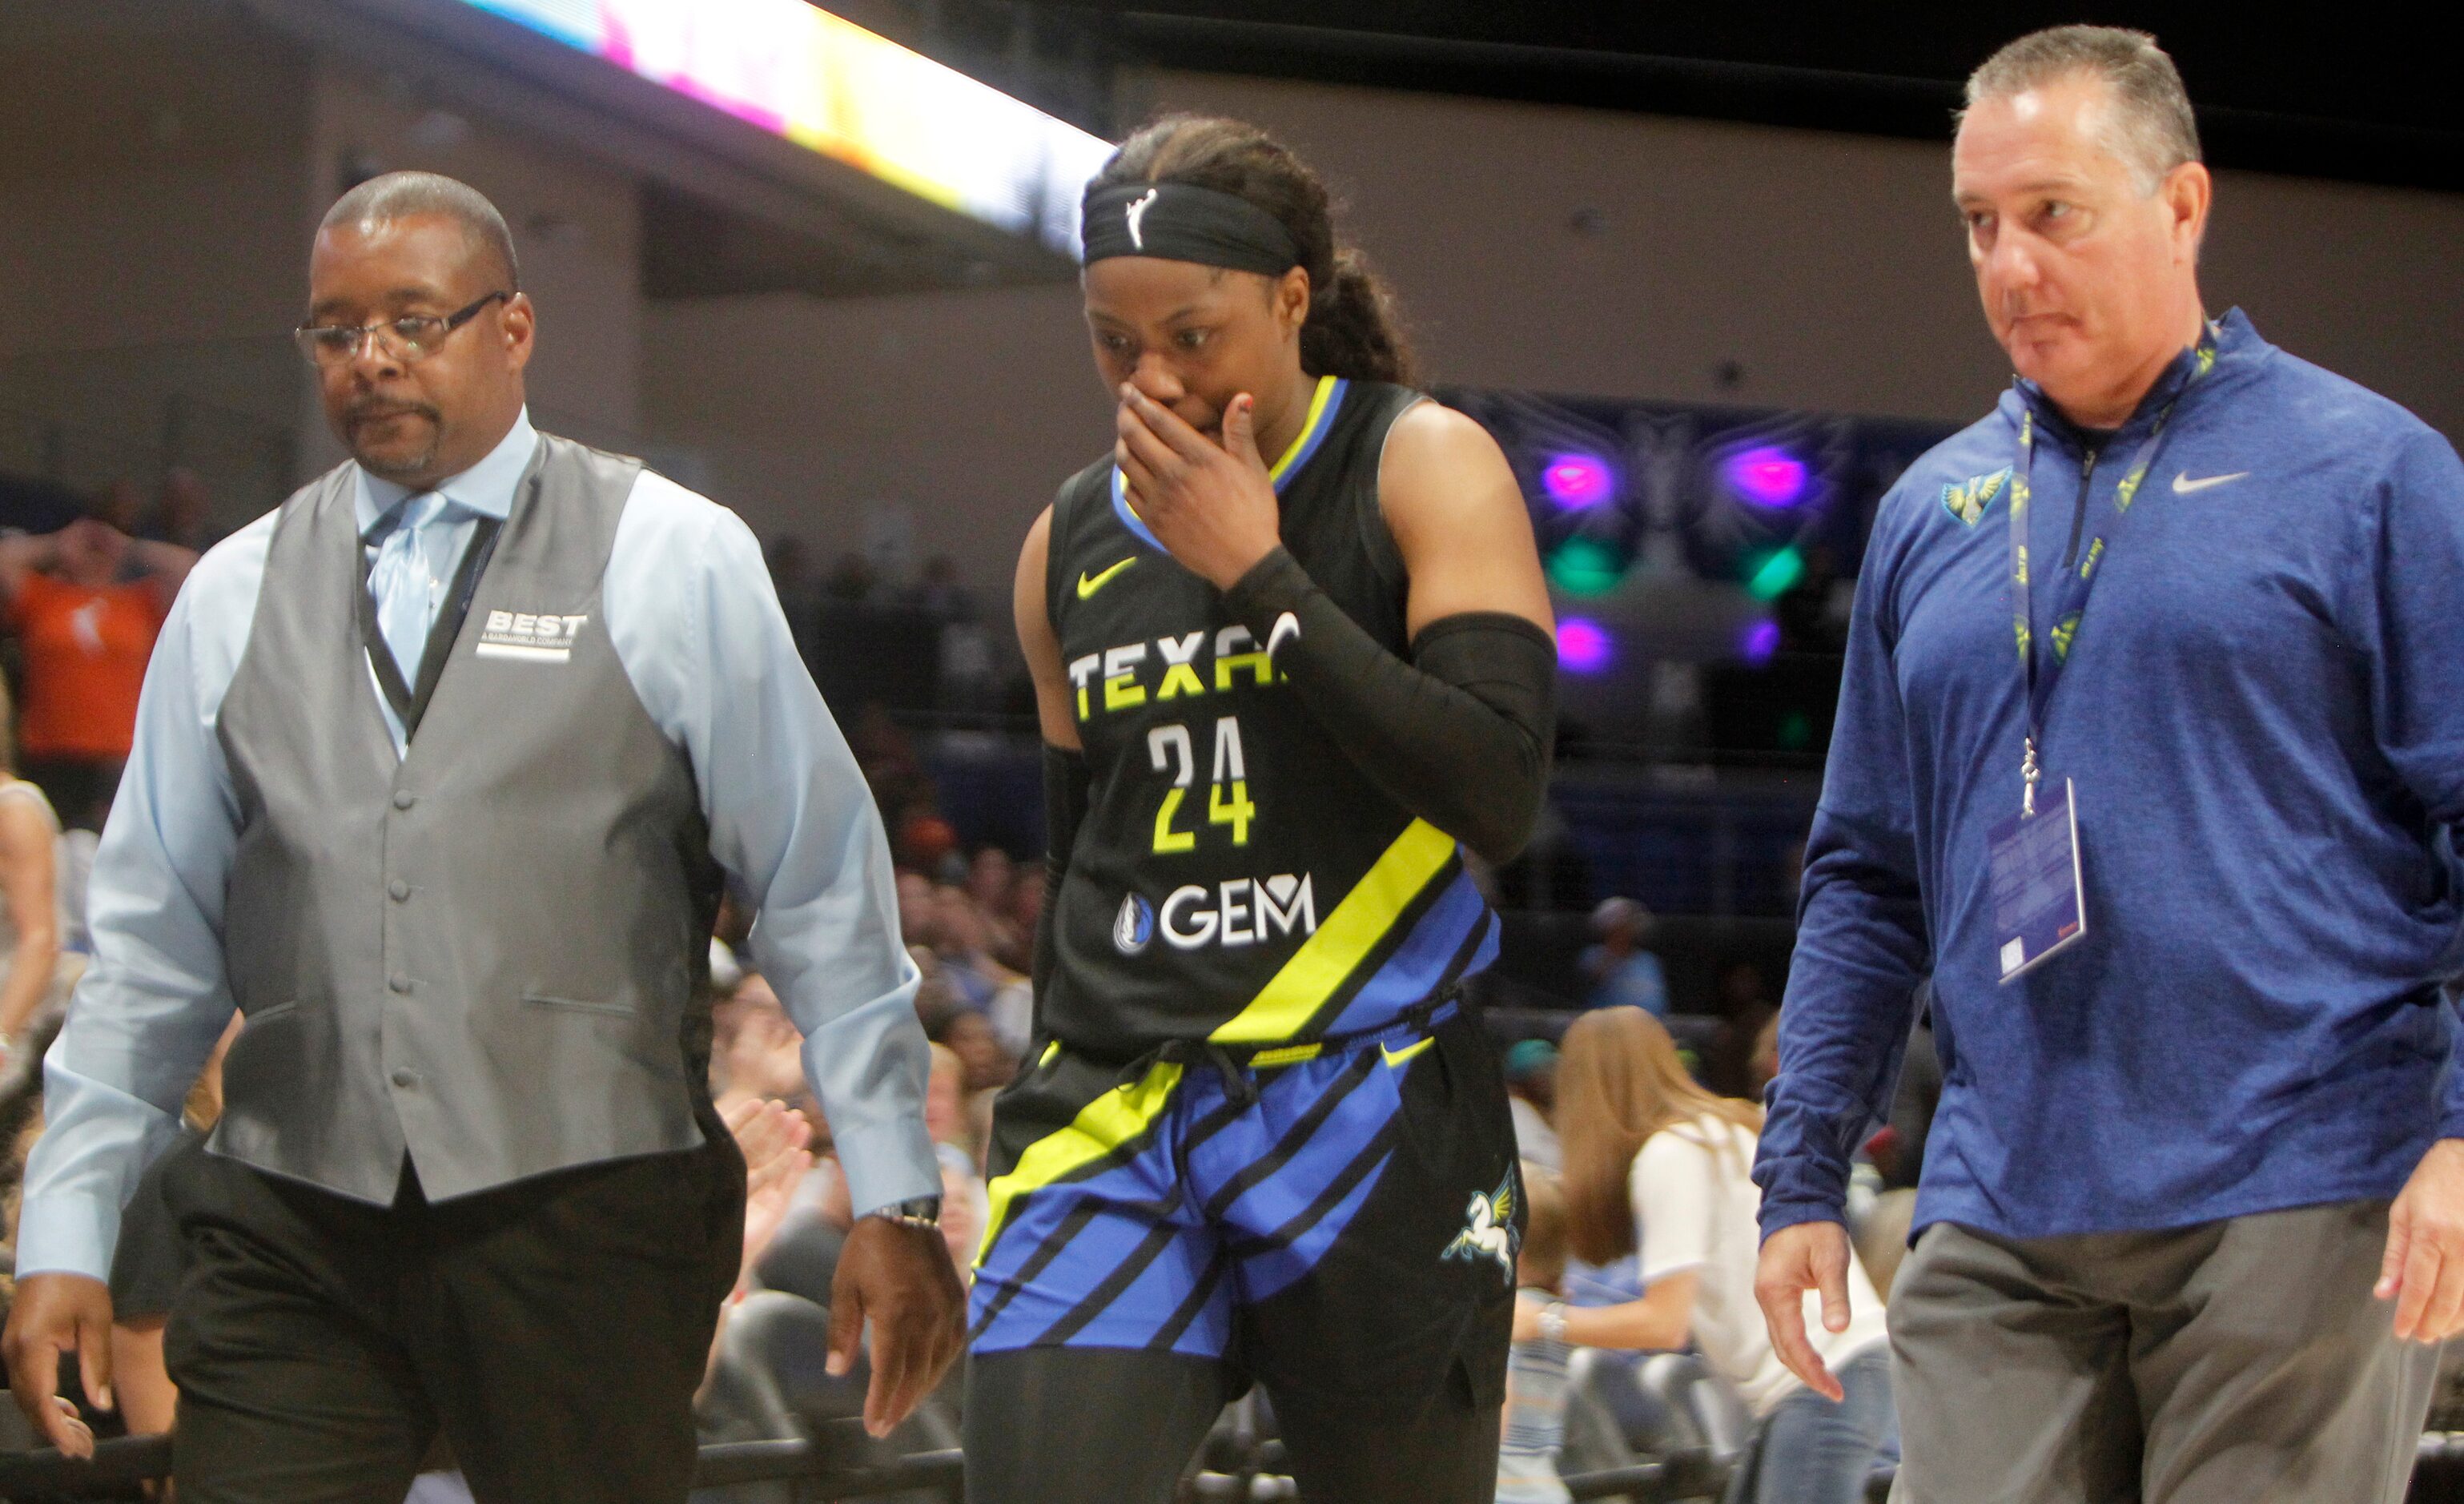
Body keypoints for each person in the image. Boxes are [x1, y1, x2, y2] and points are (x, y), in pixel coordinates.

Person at [2, 171, 964, 1502]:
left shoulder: (671, 556)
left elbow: (819, 895)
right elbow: (151, 961)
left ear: (512, 330)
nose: (372, 359)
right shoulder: (231, 591)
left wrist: (897, 1195)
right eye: (336, 330)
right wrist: (65, 1222)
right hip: (294, 1223)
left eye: (413, 319)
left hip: (588, 1216)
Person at [1751, 27, 2464, 1504]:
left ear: (2183, 205)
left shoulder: (2373, 474)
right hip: (2000, 1204)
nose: (2010, 265)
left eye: (2053, 213)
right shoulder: (1930, 511)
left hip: (2304, 1181)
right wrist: (1800, 1171)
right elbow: (1864, 876)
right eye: (1979, 224)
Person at [969, 115, 1558, 1502]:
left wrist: (1258, 576)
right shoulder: (1065, 539)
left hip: (1367, 1094)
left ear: (1292, 299)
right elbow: (1081, 861)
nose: (1153, 379)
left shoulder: (1421, 463)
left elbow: (1497, 786)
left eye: (1192, 335)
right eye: (1115, 344)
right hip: (1118, 1109)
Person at [1543, 1008, 1892, 1504]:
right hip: (1829, 1375)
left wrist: (1542, 1320)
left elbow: (1664, 1324)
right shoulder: (1720, 1128)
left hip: (1824, 1377)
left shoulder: (1670, 1154)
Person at [0, 504, 198, 830]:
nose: (95, 553)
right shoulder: (42, 597)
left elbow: (192, 569)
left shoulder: (140, 602)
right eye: (89, 547)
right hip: (49, 754)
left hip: (118, 759)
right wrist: (57, 543)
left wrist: (128, 546)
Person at [1496, 1162, 1574, 1504]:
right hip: (1546, 1488)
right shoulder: (1550, 1313)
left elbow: (1496, 1420)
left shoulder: (1510, 1318)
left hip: (1505, 1491)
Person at [1581, 898, 1667, 1015]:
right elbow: (1588, 983)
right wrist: (1612, 955)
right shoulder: (1593, 956)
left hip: (1649, 1027)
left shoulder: (1648, 960)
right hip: (1607, 1027)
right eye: (1622, 926)